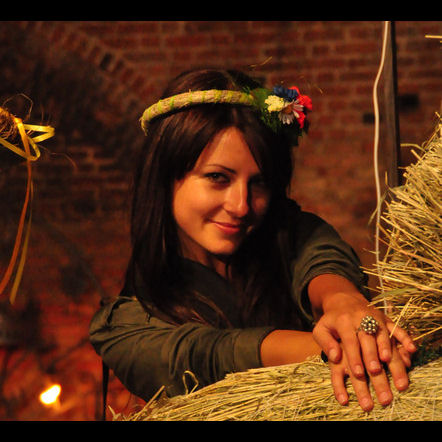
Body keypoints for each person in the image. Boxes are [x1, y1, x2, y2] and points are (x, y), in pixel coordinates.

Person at [89, 68, 417, 413]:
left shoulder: (290, 237)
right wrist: (345, 349)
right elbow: (206, 356)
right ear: (164, 177)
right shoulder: (124, 326)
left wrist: (343, 301)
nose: (241, 206)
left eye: (259, 183)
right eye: (218, 178)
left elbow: (320, 255)